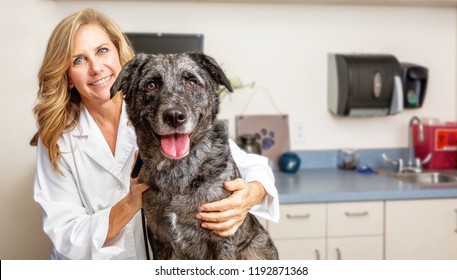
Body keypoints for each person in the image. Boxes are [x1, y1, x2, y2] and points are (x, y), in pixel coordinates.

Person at [30, 8, 279, 260]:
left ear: (118, 53)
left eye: (102, 50)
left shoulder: (169, 117)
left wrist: (249, 196)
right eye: (78, 60)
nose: (96, 67)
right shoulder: (57, 139)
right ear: (68, 75)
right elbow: (65, 233)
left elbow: (254, 169)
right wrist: (131, 202)